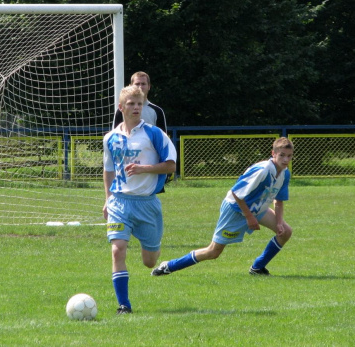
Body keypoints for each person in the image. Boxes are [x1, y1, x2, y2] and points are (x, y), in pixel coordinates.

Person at [151, 137, 294, 277]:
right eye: (282, 155)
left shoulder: (284, 173)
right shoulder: (262, 170)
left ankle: (257, 268)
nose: (286, 160)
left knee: (285, 232)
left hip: (257, 209)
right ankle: (169, 266)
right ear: (273, 153)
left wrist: (280, 222)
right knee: (213, 252)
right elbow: (236, 193)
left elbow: (279, 200)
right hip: (235, 209)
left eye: (289, 156)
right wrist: (250, 218)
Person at [103, 85, 177, 314]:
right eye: (131, 104)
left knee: (149, 261)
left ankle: (152, 248)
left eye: (139, 104)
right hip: (119, 202)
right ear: (121, 107)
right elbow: (108, 170)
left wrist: (144, 168)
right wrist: (107, 199)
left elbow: (172, 165)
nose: (136, 108)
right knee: (118, 250)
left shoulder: (154, 134)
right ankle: (124, 305)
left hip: (147, 204)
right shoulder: (110, 137)